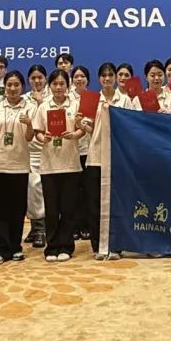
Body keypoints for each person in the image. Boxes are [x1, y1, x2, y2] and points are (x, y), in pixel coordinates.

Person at [0, 69, 36, 265]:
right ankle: (0, 250)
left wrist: (29, 124)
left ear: (22, 87)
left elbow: (30, 138)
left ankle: (16, 247)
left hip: (20, 165)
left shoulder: (30, 107)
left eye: (16, 85)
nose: (12, 88)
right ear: (4, 87)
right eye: (9, 85)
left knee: (18, 209)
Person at [33, 70, 87, 262]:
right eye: (55, 84)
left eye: (62, 84)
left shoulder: (76, 104)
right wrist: (44, 138)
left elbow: (82, 129)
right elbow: (37, 131)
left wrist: (74, 135)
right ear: (50, 86)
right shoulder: (43, 107)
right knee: (52, 209)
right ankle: (52, 247)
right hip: (49, 165)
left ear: (67, 85)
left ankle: (66, 246)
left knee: (68, 208)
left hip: (71, 164)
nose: (58, 87)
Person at [86, 62, 130, 260]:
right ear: (99, 79)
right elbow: (89, 128)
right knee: (95, 204)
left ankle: (116, 246)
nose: (107, 78)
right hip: (96, 156)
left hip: (118, 157)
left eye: (110, 75)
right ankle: (98, 246)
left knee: (117, 203)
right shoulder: (91, 100)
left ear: (115, 78)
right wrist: (82, 125)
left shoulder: (125, 100)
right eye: (103, 75)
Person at [23, 64, 49, 248]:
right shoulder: (24, 99)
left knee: (39, 189)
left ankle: (41, 229)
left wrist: (41, 103)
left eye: (40, 77)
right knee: (30, 191)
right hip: (27, 151)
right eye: (33, 78)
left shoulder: (53, 97)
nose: (37, 81)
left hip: (47, 150)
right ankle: (35, 226)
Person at [69, 65, 94, 240]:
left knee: (87, 190)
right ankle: (74, 226)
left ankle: (86, 225)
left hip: (88, 149)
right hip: (71, 150)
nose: (79, 79)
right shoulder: (67, 99)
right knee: (72, 191)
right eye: (76, 76)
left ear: (88, 79)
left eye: (82, 76)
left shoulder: (93, 98)